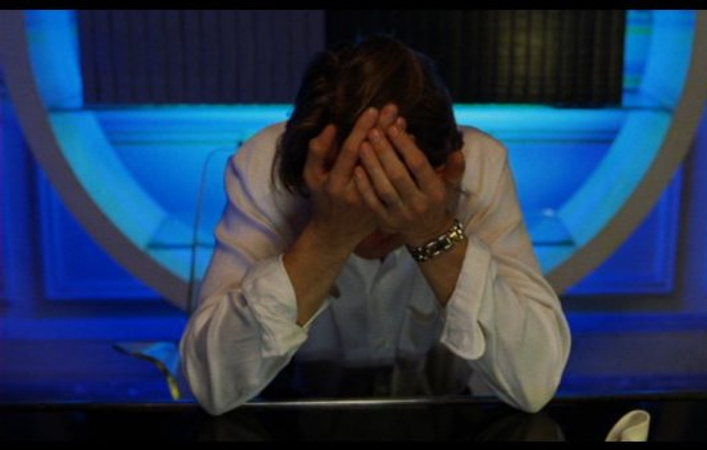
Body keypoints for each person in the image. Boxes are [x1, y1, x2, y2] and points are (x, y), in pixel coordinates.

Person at [180, 35, 571, 416]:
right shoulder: (266, 169)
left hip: (442, 418)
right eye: (350, 197)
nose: (369, 223)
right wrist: (327, 237)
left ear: (446, 170)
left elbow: (535, 382)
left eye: (395, 195)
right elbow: (211, 385)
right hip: (291, 417)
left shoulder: (479, 169)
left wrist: (433, 232)